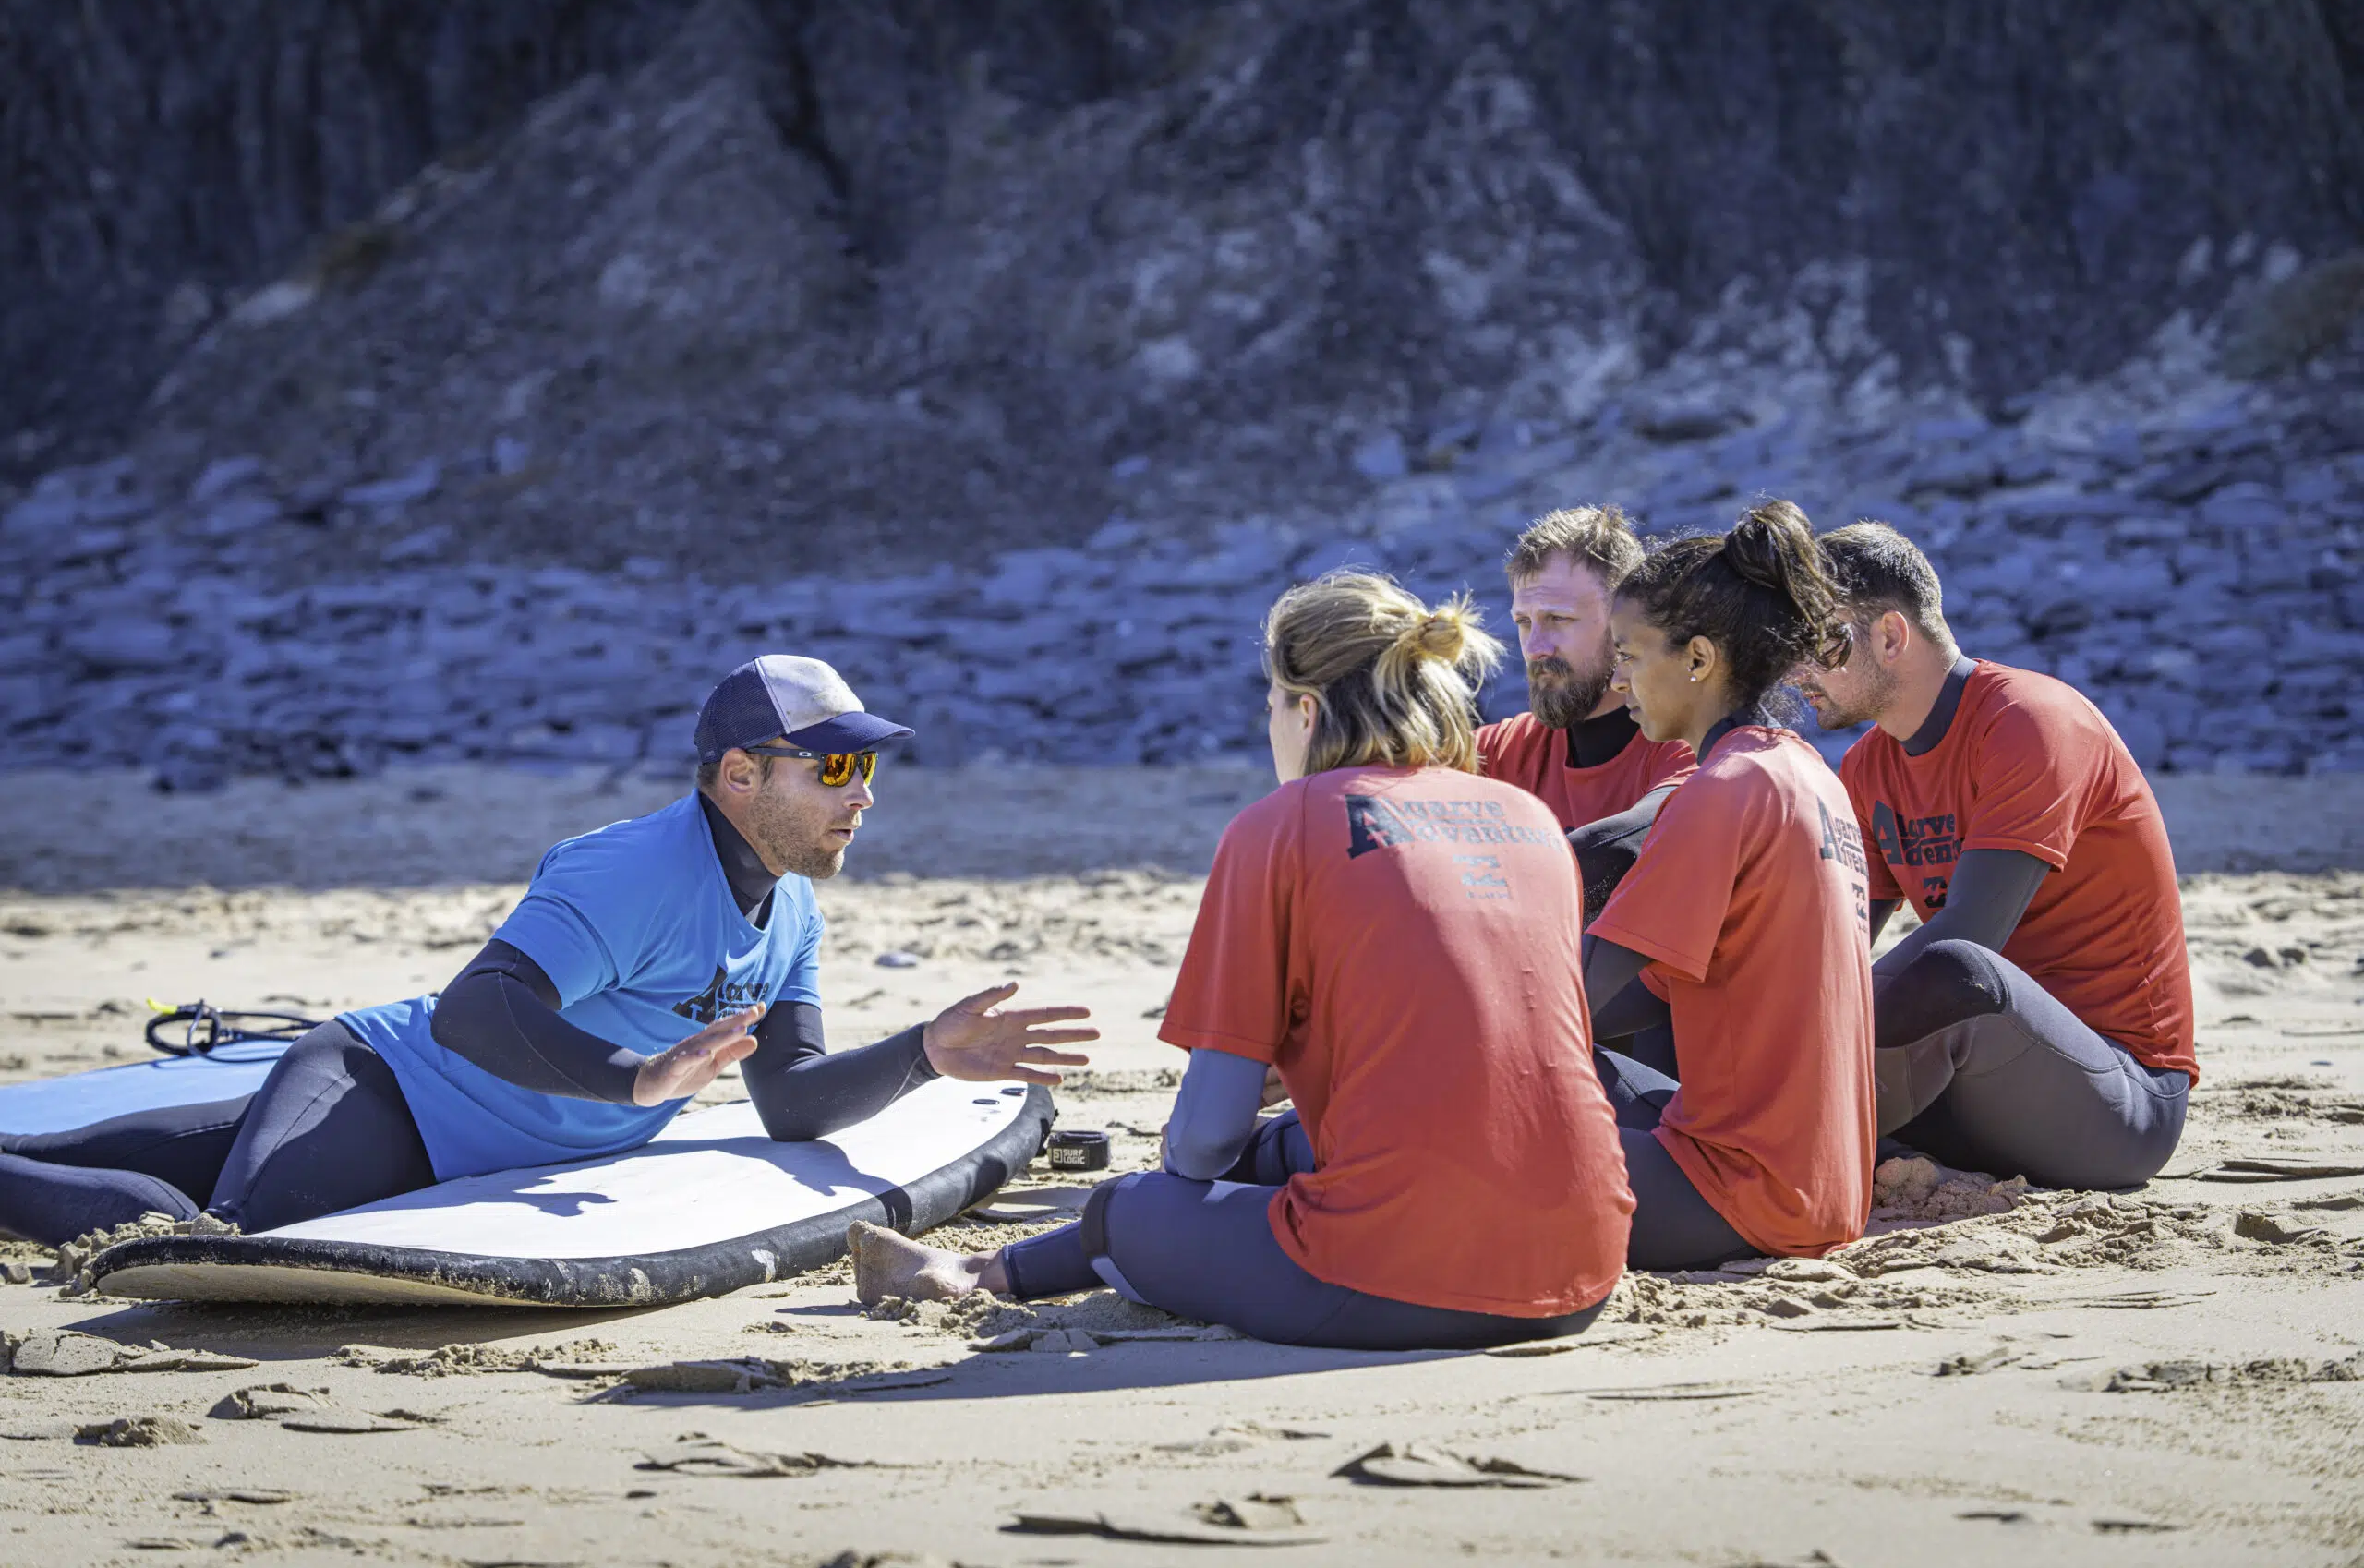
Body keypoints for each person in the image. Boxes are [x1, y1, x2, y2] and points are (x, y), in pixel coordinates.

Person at [0, 657, 1094, 1248]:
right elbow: (472, 1010)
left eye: (869, 768)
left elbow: (795, 1102)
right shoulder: (634, 871)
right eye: (837, 769)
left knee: (90, 1148)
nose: (864, 796)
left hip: (464, 1143)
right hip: (384, 1092)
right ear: (740, 775)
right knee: (208, 1237)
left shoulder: (792, 911)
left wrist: (926, 1052)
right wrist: (637, 1081)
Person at [849, 573, 1634, 1349]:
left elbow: (1202, 1144)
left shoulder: (1280, 824)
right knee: (1289, 1144)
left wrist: (1189, 1157)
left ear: (1306, 708)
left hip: (1395, 1281)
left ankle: (980, 1274)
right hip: (1585, 1266)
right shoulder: (1524, 816)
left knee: (1131, 1209)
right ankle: (981, 1266)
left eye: (1270, 708)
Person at [1791, 523, 2194, 1188]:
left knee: (1955, 969)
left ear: (1891, 636)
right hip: (1982, 1085)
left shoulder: (2029, 723)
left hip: (2122, 1103)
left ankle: (1786, 1136)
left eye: (1818, 644)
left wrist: (1794, 1038)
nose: (1797, 670)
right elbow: (1836, 942)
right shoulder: (1868, 767)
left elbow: (1972, 940)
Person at [1582, 500, 1876, 1271]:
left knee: (1440, 1122)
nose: (1618, 680)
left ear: (1700, 659)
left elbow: (1573, 1001)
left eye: (1630, 655)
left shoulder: (1722, 789)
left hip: (1739, 1192)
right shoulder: (1810, 775)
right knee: (1598, 1071)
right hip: (1828, 1190)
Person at [1478, 506, 1696, 923]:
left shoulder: (1684, 744)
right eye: (1524, 623)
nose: (1536, 647)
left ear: (1624, 623)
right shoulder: (1501, 752)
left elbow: (1626, 845)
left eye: (1559, 619)